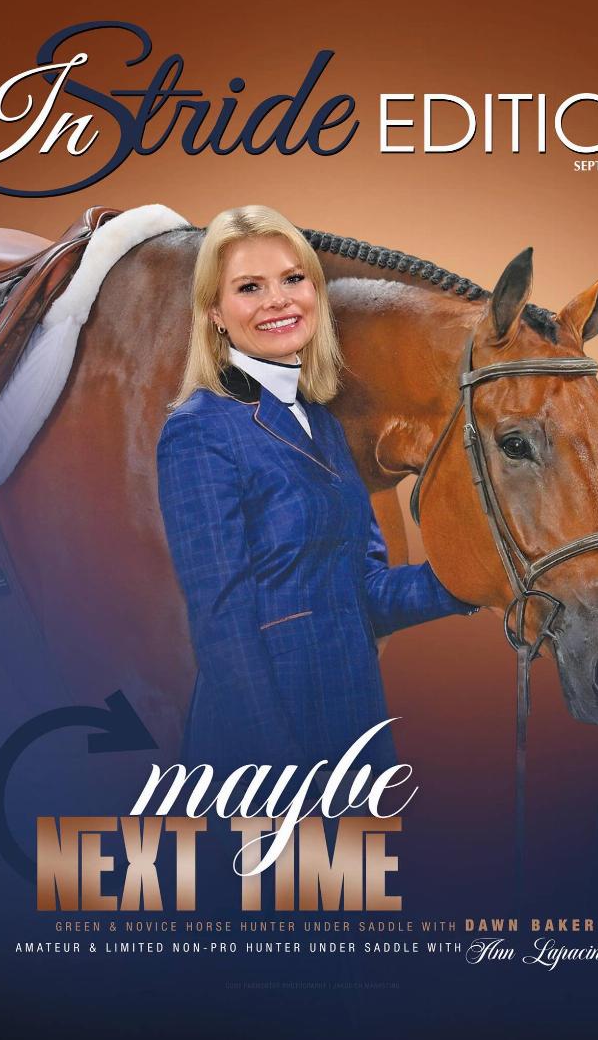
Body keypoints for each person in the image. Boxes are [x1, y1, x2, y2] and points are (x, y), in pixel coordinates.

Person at [157, 205, 476, 778]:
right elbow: (222, 624)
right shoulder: (199, 429)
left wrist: (471, 578)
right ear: (215, 314)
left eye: (292, 279)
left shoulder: (322, 422)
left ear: (315, 293)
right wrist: (277, 768)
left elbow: (365, 595)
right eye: (249, 287)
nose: (278, 300)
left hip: (354, 729)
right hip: (260, 746)